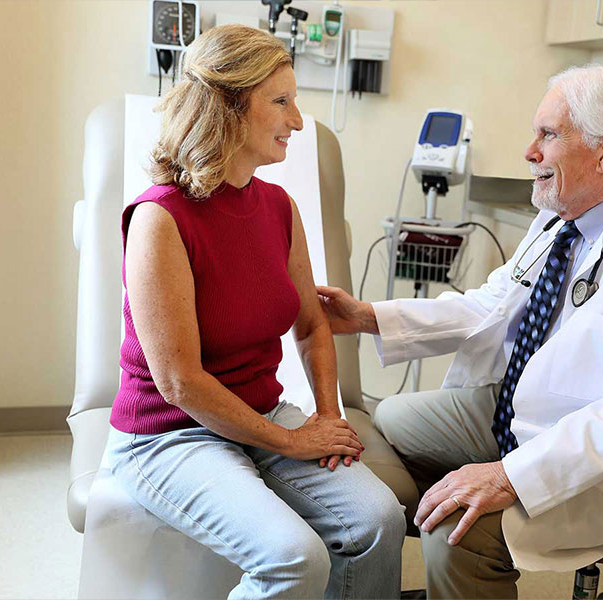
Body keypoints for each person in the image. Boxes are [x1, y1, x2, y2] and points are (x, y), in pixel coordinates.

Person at [318, 64, 603, 599]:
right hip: (527, 412)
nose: (529, 151)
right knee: (389, 418)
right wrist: (367, 316)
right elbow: (489, 306)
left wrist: (509, 478)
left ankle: (465, 550)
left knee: (456, 532)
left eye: (549, 135)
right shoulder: (559, 219)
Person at [104, 24, 405, 600]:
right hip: (168, 436)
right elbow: (178, 381)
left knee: (379, 522)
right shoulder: (159, 220)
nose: (297, 121)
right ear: (229, 108)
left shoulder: (276, 206)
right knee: (293, 560)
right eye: (281, 102)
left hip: (262, 411)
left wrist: (324, 418)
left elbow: (313, 322)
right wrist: (291, 443)